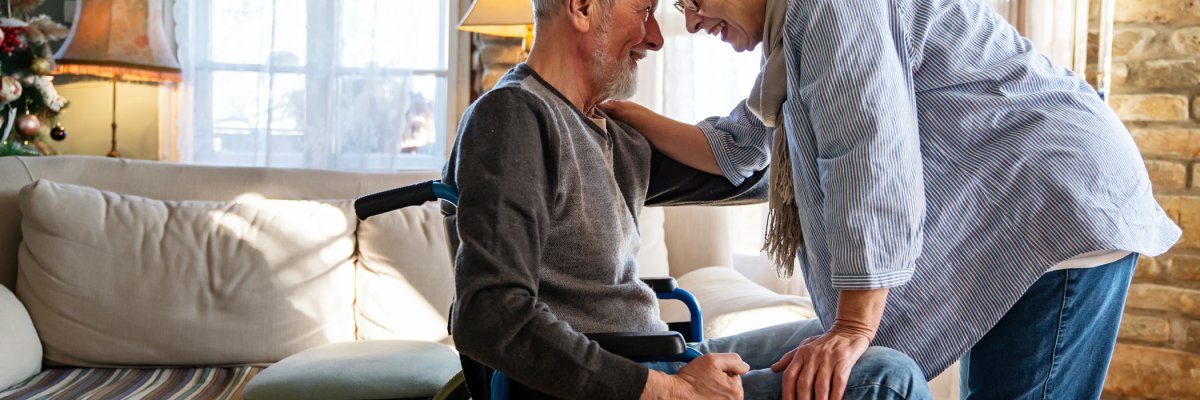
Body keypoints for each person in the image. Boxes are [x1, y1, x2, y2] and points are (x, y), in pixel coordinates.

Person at [599, 0, 1183, 399]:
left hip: (1060, 200)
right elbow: (736, 146)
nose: (694, 22)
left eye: (694, 1)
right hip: (1034, 201)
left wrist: (854, 324)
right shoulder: (795, 35)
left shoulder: (833, 11)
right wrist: (620, 111)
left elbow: (869, 153)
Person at [444, 0, 931, 399]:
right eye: (644, 11)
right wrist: (670, 391)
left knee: (862, 344)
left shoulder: (607, 132)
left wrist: (821, 88)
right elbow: (489, 316)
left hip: (657, 353)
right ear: (583, 7)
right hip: (624, 378)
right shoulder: (514, 118)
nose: (656, 37)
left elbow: (752, 174)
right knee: (886, 379)